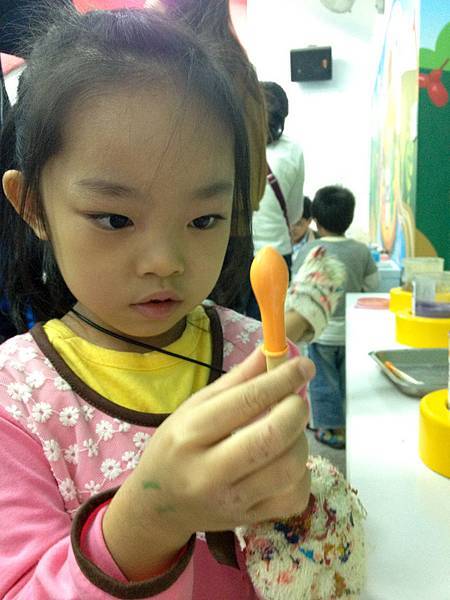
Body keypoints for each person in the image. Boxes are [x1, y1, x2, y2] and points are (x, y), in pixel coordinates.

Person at [0, 7, 316, 598]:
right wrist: (147, 522)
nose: (165, 260)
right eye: (115, 219)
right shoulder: (15, 403)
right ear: (33, 207)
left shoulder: (257, 359)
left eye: (204, 219)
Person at [294, 186, 379, 450]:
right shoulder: (361, 251)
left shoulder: (309, 251)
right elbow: (373, 286)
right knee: (348, 380)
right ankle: (350, 423)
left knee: (323, 381)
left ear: (316, 220)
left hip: (320, 331)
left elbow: (297, 291)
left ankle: (331, 428)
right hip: (351, 332)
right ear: (350, 218)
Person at [245, 81, 304, 319]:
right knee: (272, 325)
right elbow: (295, 212)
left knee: (233, 327)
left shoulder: (233, 145)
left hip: (237, 255)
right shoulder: (292, 151)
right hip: (277, 253)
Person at [291, 196, 318, 272]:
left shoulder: (319, 241)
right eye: (289, 222)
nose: (291, 228)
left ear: (309, 221)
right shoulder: (276, 239)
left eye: (298, 224)